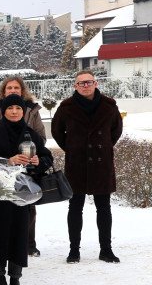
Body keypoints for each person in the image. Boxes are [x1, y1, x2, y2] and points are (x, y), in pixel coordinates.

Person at [0, 94, 52, 285]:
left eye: (18, 108)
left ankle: (15, 279)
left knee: (18, 235)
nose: (15, 111)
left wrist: (37, 163)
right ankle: (0, 279)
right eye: (10, 108)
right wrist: (7, 161)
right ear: (3, 111)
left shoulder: (31, 134)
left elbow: (46, 156)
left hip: (21, 194)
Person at [51, 71, 124, 264]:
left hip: (102, 163)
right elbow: (57, 131)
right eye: (81, 83)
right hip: (77, 163)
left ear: (96, 83)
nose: (85, 85)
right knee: (75, 207)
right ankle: (74, 250)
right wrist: (73, 148)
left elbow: (116, 130)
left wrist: (105, 145)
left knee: (104, 207)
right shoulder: (66, 107)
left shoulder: (109, 106)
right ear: (75, 86)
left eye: (89, 82)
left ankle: (106, 250)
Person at [0, 76, 48, 257]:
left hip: (27, 167)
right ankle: (2, 246)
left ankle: (29, 243)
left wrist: (32, 154)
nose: (13, 90)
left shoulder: (32, 110)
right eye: (9, 88)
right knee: (2, 211)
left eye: (17, 87)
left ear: (22, 91)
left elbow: (41, 138)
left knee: (28, 207)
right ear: (3, 91)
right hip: (2, 170)